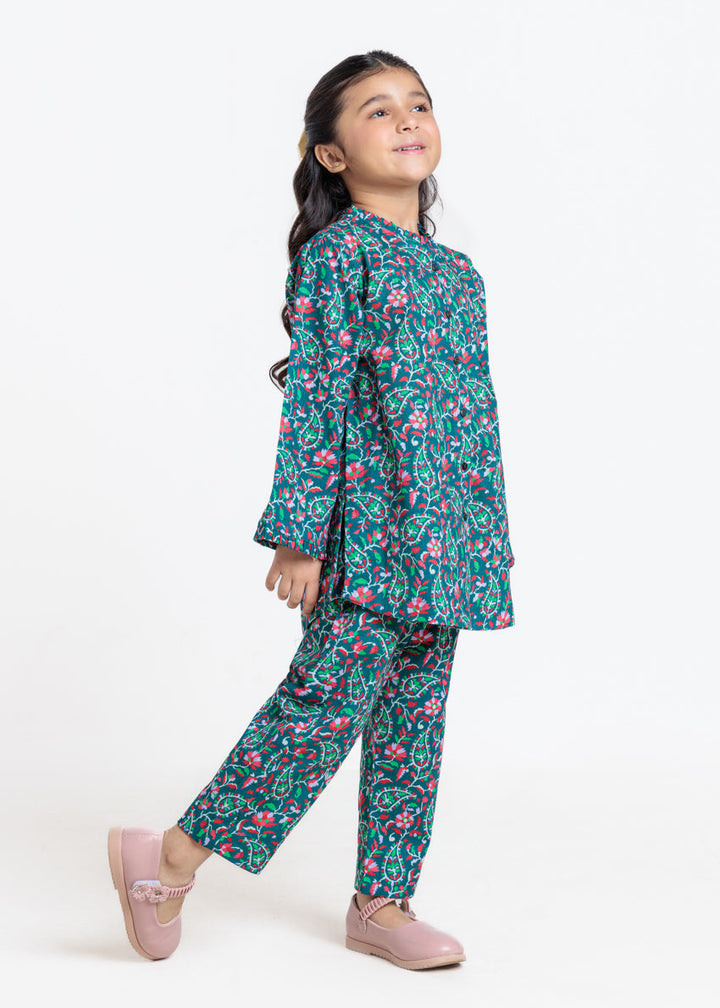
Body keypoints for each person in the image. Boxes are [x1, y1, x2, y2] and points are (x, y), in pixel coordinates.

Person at [108, 48, 515, 971]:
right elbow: (317, 399)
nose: (408, 120)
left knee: (414, 724)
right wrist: (298, 536)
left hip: (448, 541)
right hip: (365, 535)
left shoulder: (458, 275)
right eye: (378, 111)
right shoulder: (339, 259)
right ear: (331, 154)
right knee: (323, 708)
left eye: (418, 104)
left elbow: (474, 415)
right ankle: (169, 859)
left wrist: (486, 536)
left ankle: (383, 903)